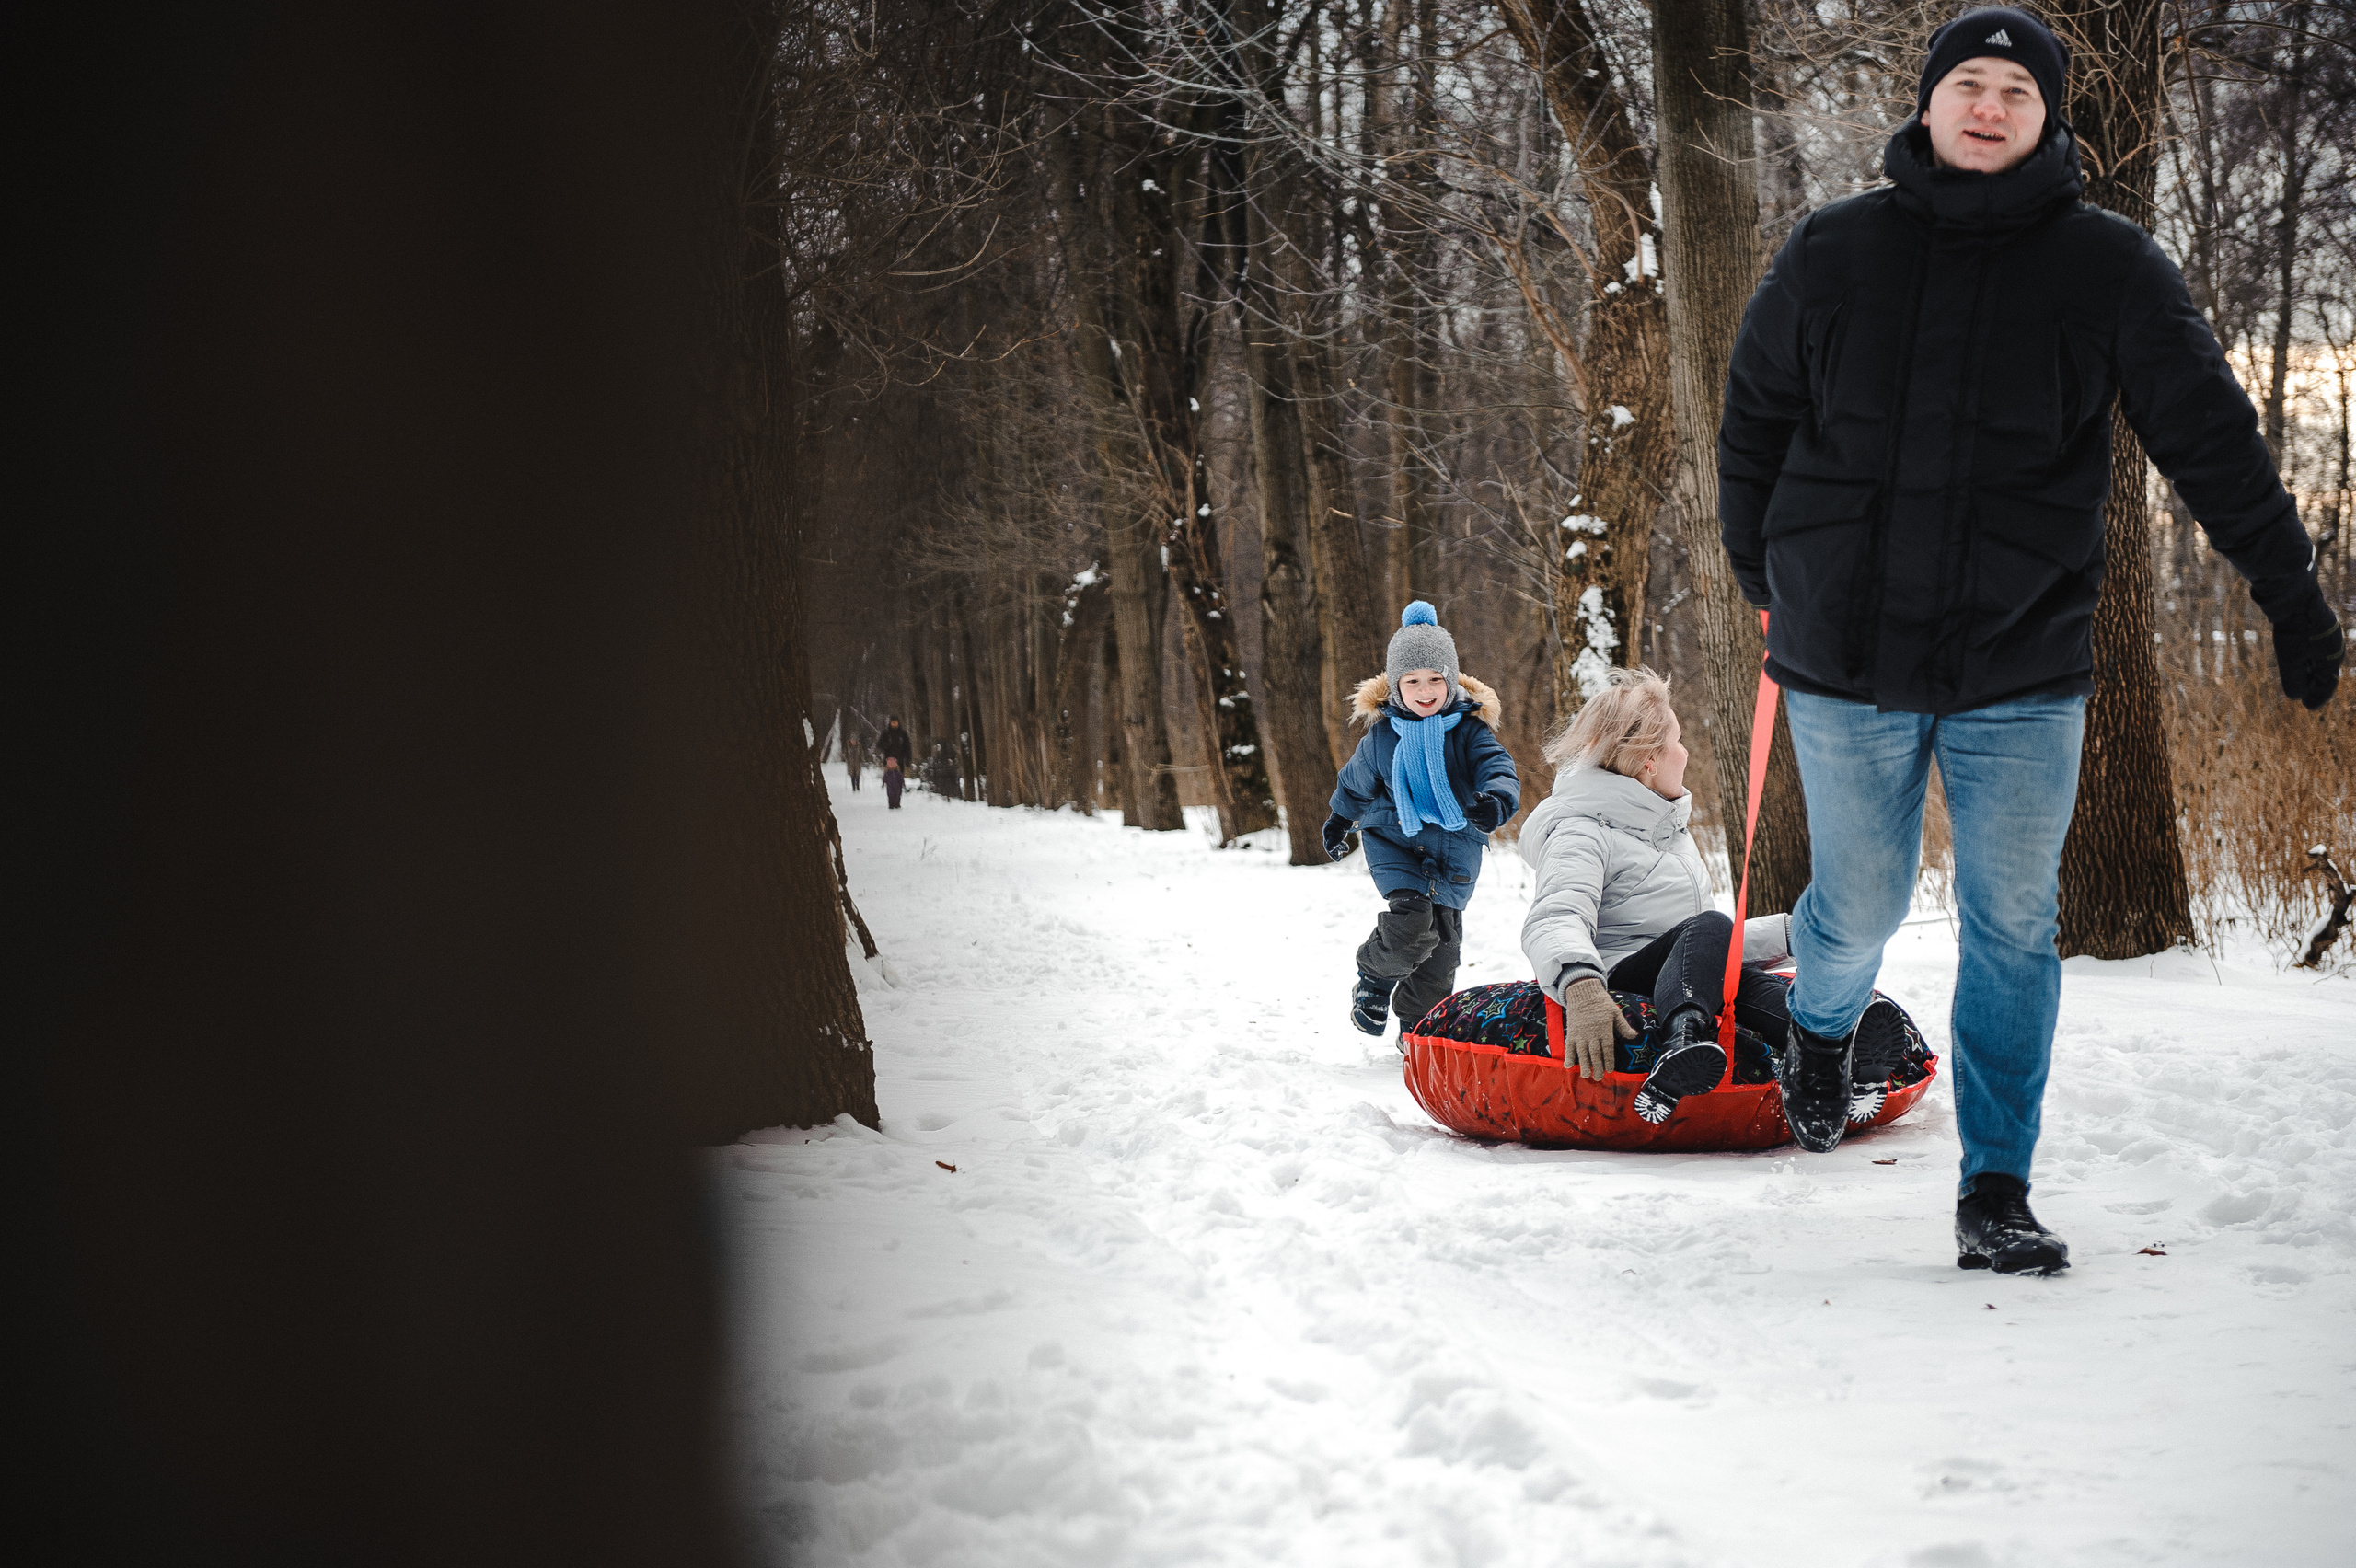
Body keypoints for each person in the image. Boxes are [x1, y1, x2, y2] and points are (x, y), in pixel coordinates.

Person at [1719, 6, 2345, 1274]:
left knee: (2013, 922)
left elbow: (2210, 436)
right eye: (1970, 83)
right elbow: (1756, 416)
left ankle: (1994, 1187)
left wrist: (2290, 590)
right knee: (1860, 898)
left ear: (2049, 116)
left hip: (2020, 658)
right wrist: (1761, 570)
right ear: (1929, 101)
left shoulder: (2107, 267)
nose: (1990, 106)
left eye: (2016, 90)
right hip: (1845, 652)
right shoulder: (1835, 249)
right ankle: (1821, 1029)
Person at [1519, 668, 1826, 1123]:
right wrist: (1580, 984)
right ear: (1649, 760)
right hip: (1619, 977)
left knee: (1755, 988)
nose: (1685, 752)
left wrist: (1792, 933)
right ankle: (1683, 1044)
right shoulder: (1581, 831)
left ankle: (1841, 1046)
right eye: (1677, 740)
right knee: (1712, 927)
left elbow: (1698, 948)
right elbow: (1556, 915)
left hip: (1681, 977)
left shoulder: (1666, 830)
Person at [1323, 602, 1519, 1041]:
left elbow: (1498, 768)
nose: (1425, 690)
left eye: (1435, 679)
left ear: (1452, 681)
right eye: (1412, 681)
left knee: (1443, 949)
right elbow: (1356, 782)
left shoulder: (1470, 732)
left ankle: (1418, 1027)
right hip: (1395, 840)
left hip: (1454, 849)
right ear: (1395, 686)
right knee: (1412, 922)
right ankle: (1374, 981)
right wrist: (1339, 819)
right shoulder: (1382, 736)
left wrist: (1496, 800)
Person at [877, 716, 914, 810]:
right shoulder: (886, 733)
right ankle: (891, 801)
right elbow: (879, 745)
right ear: (890, 723)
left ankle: (897, 801)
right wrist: (886, 745)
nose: (894, 724)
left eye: (896, 722)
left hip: (899, 761)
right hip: (889, 762)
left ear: (898, 723)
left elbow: (908, 747)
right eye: (892, 722)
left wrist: (908, 758)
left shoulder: (903, 734)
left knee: (898, 781)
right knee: (890, 782)